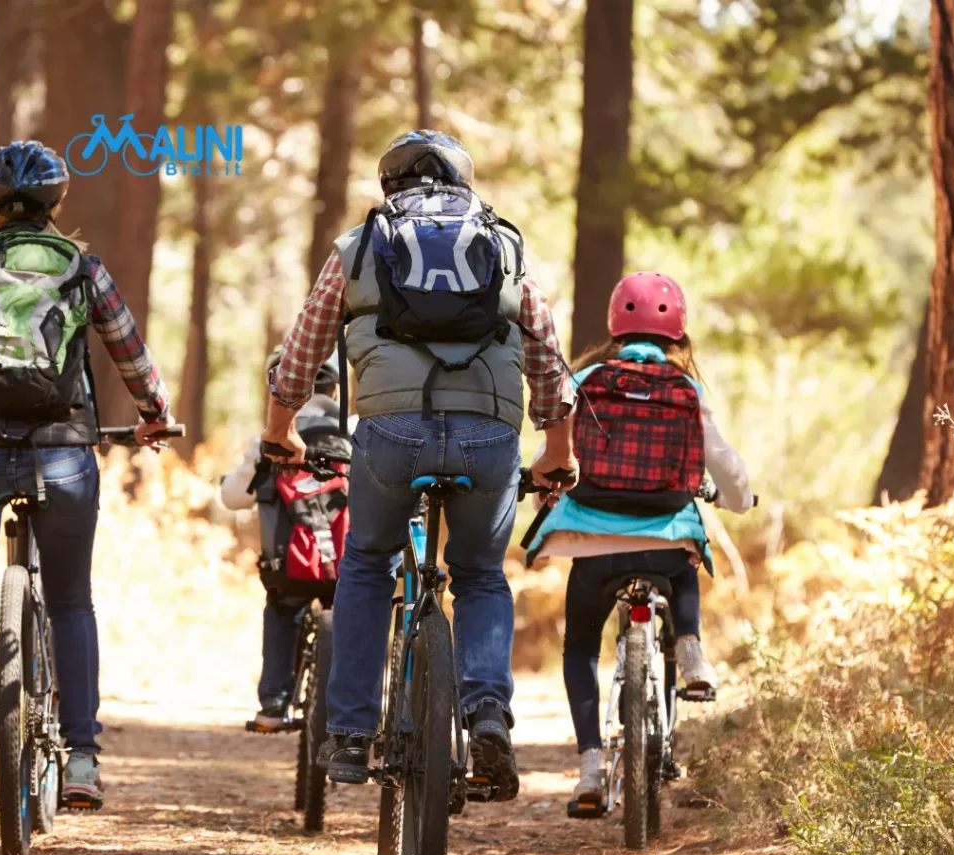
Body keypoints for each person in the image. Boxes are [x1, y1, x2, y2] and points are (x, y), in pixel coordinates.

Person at [262, 129, 576, 800]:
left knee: (368, 563)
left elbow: (299, 357)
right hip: (488, 437)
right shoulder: (506, 244)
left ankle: (348, 733)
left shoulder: (360, 246)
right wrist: (558, 448)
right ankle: (487, 713)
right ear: (465, 184)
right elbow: (547, 354)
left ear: (389, 187)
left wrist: (279, 433)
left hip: (390, 434)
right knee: (482, 575)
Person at [0, 141, 172, 808]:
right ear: (57, 203)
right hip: (64, 452)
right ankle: (81, 758)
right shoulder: (84, 267)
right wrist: (154, 415)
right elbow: (128, 351)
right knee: (73, 602)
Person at [525, 271, 753, 812]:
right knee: (685, 560)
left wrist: (539, 492)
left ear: (614, 325)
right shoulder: (687, 389)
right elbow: (726, 466)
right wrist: (740, 500)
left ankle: (587, 769)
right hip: (664, 537)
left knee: (580, 647)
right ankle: (691, 649)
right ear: (678, 332)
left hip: (593, 541)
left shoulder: (587, 380)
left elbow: (553, 451)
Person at [220, 352, 352, 731]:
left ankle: (275, 703)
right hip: (349, 565)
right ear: (334, 388)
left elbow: (232, 498)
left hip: (288, 568)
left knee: (282, 608)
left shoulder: (269, 440)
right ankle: (354, 712)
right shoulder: (354, 430)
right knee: (357, 613)